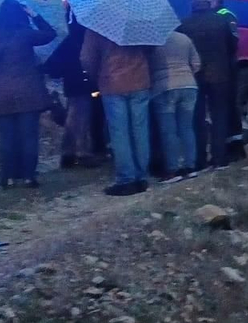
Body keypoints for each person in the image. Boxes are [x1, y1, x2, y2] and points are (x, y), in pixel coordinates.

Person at [0, 0, 57, 189]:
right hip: (28, 92)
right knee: (28, 135)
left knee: (7, 137)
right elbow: (50, 34)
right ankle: (29, 176)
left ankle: (8, 176)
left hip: (1, 94)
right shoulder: (25, 34)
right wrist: (34, 15)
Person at [81, 25, 153, 196]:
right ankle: (142, 176)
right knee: (140, 129)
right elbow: (151, 48)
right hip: (140, 81)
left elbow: (86, 57)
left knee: (119, 132)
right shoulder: (137, 24)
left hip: (112, 83)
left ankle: (126, 178)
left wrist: (96, 75)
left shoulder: (97, 27)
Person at [181, 0, 239, 169]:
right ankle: (219, 158)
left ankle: (199, 160)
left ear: (192, 5)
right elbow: (233, 46)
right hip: (220, 75)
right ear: (208, 3)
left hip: (195, 76)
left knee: (197, 118)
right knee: (219, 115)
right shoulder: (222, 22)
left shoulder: (184, 24)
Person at [42, 13, 101, 169]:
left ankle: (68, 153)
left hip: (72, 84)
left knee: (74, 118)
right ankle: (82, 153)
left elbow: (53, 66)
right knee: (80, 119)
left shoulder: (69, 40)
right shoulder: (85, 38)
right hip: (84, 83)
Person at [149, 24, 201, 182]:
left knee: (169, 131)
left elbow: (148, 67)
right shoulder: (184, 39)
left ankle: (173, 170)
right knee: (186, 128)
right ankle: (190, 167)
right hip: (189, 86)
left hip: (164, 88)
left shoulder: (153, 43)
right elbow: (197, 64)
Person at [204, 0, 248, 160]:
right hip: (223, 68)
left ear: (215, 0)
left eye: (210, 0)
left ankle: (234, 147)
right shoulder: (216, 16)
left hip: (227, 68)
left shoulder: (226, 16)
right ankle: (230, 146)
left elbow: (233, 43)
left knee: (227, 107)